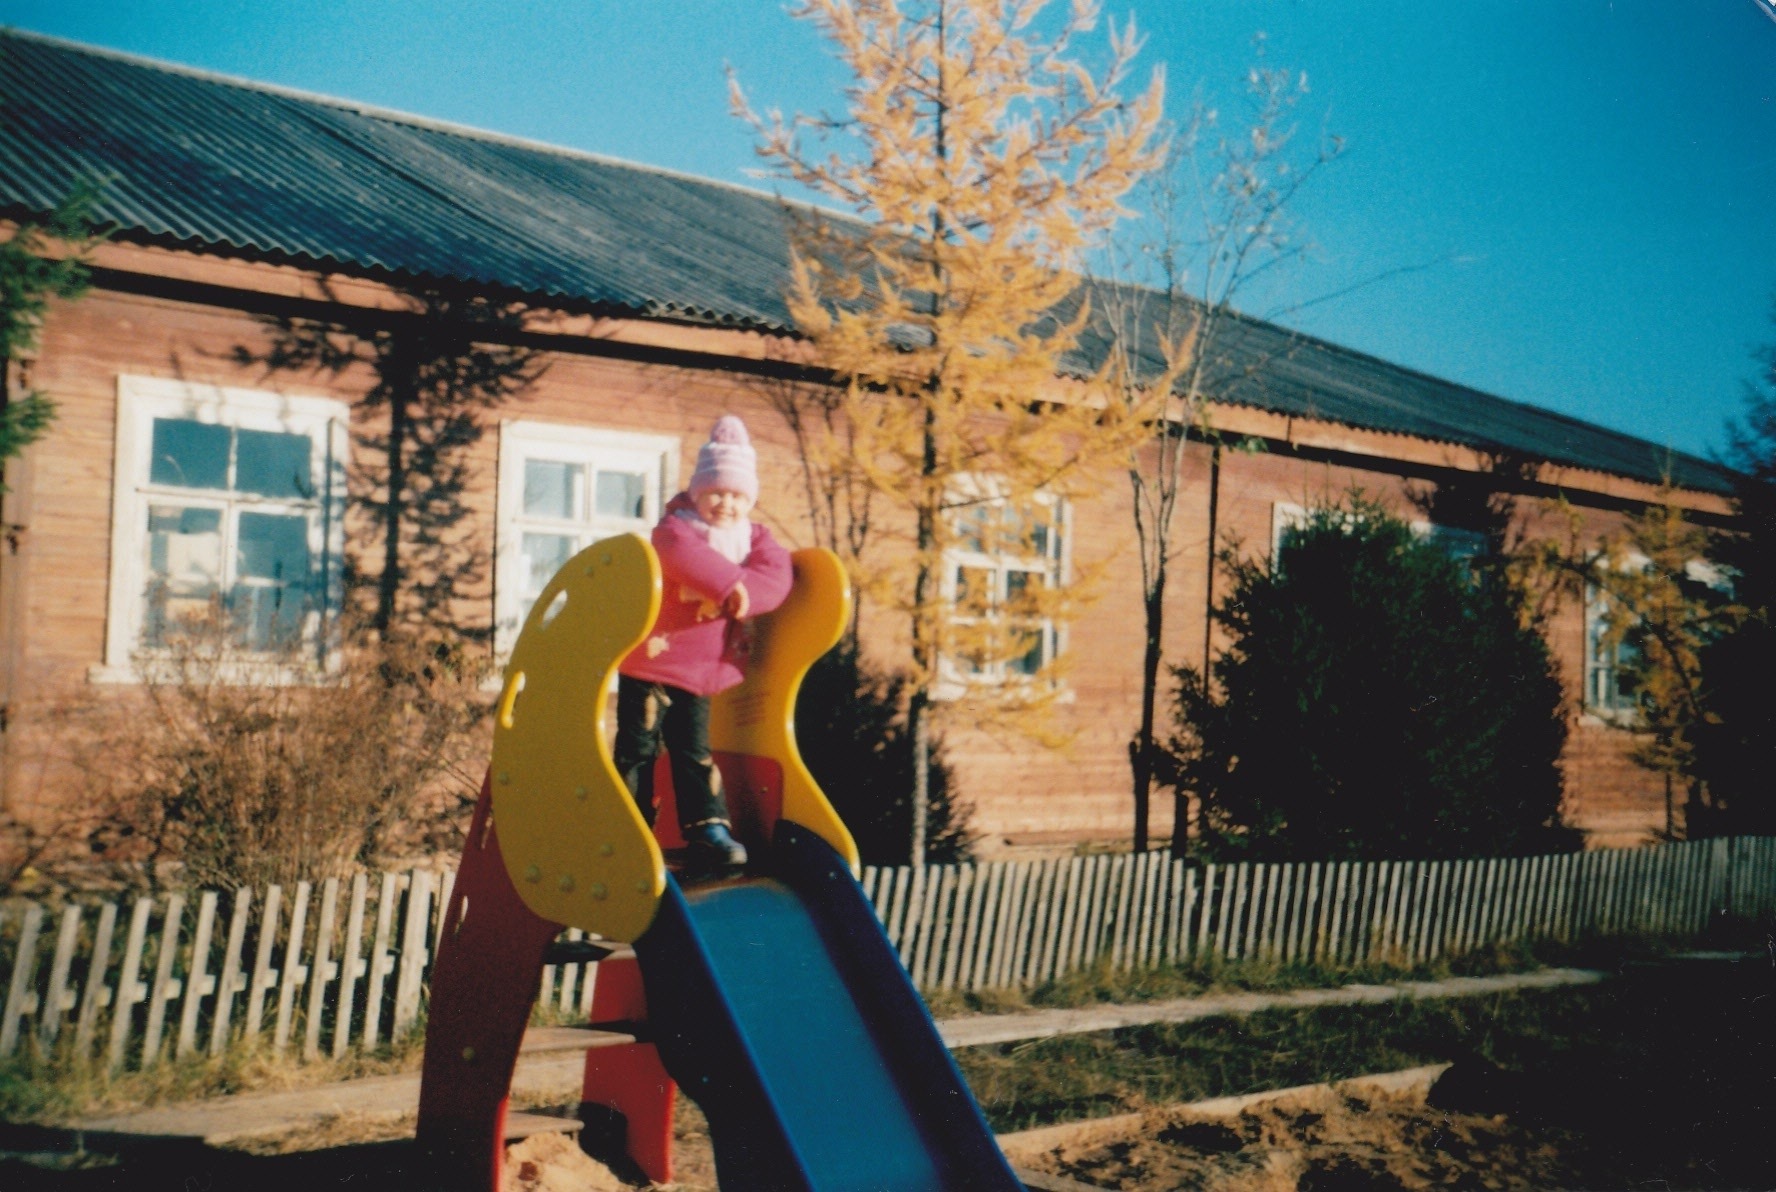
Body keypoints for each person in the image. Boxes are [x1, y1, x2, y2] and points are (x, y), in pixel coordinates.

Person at [613, 415, 791, 871]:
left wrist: (745, 592)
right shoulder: (676, 527)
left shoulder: (753, 538)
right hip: (650, 660)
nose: (725, 504)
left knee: (693, 751)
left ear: (749, 500)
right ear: (697, 492)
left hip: (698, 669)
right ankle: (627, 822)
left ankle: (708, 828)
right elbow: (680, 555)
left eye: (736, 496)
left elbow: (778, 576)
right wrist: (731, 586)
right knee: (638, 746)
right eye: (716, 493)